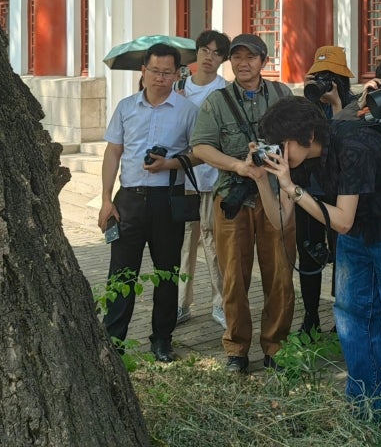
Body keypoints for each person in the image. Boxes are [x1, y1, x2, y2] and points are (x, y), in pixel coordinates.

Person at [254, 96, 381, 447]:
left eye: (284, 143)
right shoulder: (301, 158)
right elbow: (281, 219)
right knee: (353, 321)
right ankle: (366, 417)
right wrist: (263, 179)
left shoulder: (355, 146)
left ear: (308, 134)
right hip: (357, 234)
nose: (280, 151)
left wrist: (292, 187)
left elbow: (340, 220)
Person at [190, 34, 295, 373]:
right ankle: (236, 348)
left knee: (280, 275)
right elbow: (200, 147)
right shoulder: (215, 102)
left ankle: (275, 347)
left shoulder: (283, 96)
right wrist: (238, 165)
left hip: (276, 199)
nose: (243, 63)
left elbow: (300, 138)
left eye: (251, 57)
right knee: (233, 277)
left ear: (264, 61)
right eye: (237, 57)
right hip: (233, 199)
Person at [97, 43, 199, 362]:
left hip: (167, 200)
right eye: (154, 71)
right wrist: (105, 199)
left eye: (167, 72)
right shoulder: (126, 107)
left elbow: (199, 153)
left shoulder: (188, 111)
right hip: (128, 199)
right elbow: (113, 151)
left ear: (178, 74)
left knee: (166, 272)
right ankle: (113, 341)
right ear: (143, 70)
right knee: (121, 273)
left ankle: (162, 339)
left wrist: (169, 164)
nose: (160, 78)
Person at [298, 45, 356, 333]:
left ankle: (342, 314)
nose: (322, 82)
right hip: (309, 190)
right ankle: (310, 315)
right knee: (308, 252)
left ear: (341, 80)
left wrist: (336, 105)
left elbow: (346, 141)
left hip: (339, 194)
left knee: (342, 254)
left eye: (329, 76)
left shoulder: (353, 104)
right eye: (318, 76)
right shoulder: (305, 106)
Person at [176, 30, 231, 330]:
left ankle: (219, 303)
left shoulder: (225, 92)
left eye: (217, 53)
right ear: (196, 53)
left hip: (212, 178)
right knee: (185, 242)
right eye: (205, 50)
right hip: (183, 177)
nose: (210, 57)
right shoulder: (178, 87)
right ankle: (182, 304)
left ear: (223, 59)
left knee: (212, 241)